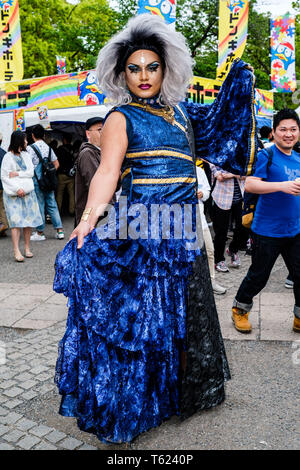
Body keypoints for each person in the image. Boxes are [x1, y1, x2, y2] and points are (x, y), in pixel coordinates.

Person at [53, 15, 256, 443]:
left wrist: (240, 82)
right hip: (143, 230)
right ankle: (128, 406)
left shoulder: (183, 111)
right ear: (120, 73)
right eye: (134, 68)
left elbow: (222, 124)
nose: (143, 76)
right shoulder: (119, 118)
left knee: (179, 320)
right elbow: (107, 174)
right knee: (141, 324)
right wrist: (86, 224)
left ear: (167, 69)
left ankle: (172, 397)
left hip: (183, 231)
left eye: (152, 66)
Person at [232, 108, 300, 334]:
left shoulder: (299, 158)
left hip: (295, 230)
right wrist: (282, 186)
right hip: (267, 231)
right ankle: (240, 310)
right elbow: (250, 185)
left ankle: (299, 317)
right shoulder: (266, 155)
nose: (288, 134)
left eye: (293, 129)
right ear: (274, 132)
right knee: (259, 276)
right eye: (283, 129)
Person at [0, 131, 43, 261]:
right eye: (25, 139)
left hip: (28, 193)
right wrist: (17, 188)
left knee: (28, 222)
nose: (27, 141)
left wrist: (17, 174)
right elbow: (4, 176)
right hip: (13, 195)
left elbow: (30, 172)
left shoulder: (26, 155)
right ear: (19, 140)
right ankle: (16, 250)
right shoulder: (7, 157)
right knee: (15, 223)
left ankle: (27, 247)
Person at [27, 124, 65, 241]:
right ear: (43, 135)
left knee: (40, 205)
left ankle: (40, 233)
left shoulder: (30, 148)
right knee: (52, 204)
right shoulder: (49, 148)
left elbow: (28, 166)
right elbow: (56, 164)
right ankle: (60, 231)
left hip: (37, 182)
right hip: (49, 181)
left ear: (32, 135)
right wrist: (49, 174)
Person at [210, 164, 249, 272]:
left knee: (243, 226)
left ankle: (232, 250)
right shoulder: (220, 151)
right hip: (221, 197)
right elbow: (219, 175)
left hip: (240, 196)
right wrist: (234, 174)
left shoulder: (241, 152)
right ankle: (218, 260)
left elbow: (247, 173)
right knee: (221, 231)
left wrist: (230, 174)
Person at [196, 165, 226, 295]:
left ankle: (211, 282)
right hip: (181, 220)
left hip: (200, 219)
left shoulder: (198, 171)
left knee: (209, 251)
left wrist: (202, 194)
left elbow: (207, 191)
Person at [74, 117, 104, 226]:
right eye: (100, 130)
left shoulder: (100, 152)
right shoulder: (88, 153)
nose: (104, 132)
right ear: (88, 134)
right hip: (93, 217)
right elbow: (97, 185)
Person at [55, 134, 75, 216]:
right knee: (71, 193)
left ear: (64, 140)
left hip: (61, 174)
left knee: (60, 193)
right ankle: (72, 211)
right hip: (71, 174)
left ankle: (58, 211)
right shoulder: (73, 148)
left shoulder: (60, 149)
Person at [0, 132, 8, 237]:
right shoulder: (5, 153)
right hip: (3, 184)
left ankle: (3, 226)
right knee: (2, 207)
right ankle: (3, 227)